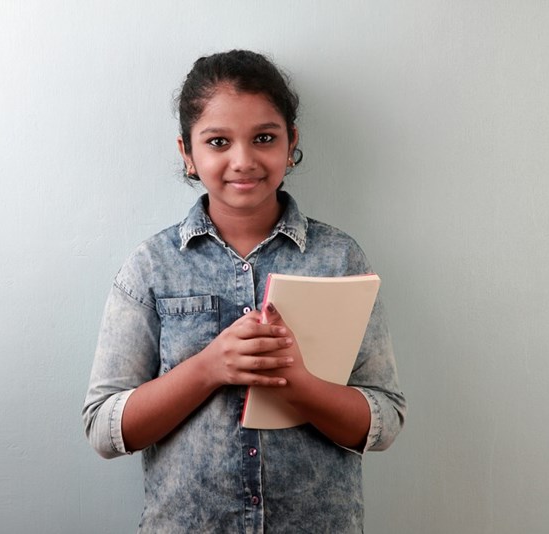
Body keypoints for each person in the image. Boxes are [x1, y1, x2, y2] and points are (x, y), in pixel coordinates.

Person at [83, 49, 406, 533]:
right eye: (218, 141)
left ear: (291, 143)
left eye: (264, 138)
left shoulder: (340, 260)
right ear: (187, 154)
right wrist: (209, 368)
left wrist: (298, 383)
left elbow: (384, 421)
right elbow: (104, 429)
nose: (243, 160)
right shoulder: (152, 267)